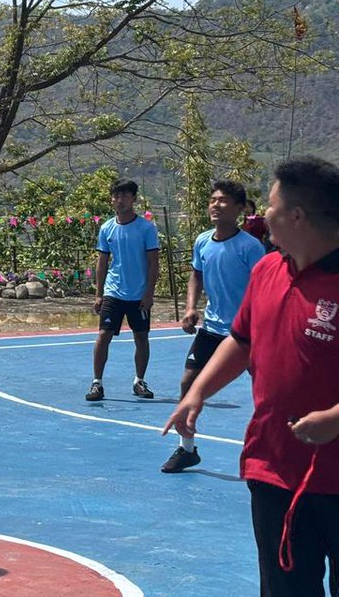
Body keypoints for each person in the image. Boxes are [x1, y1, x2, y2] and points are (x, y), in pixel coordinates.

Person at [165, 157, 339, 596]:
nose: (262, 216)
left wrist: (336, 418)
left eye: (271, 206)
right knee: (284, 588)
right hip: (275, 468)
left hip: (336, 479)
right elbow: (242, 340)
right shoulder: (266, 270)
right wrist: (198, 392)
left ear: (297, 217)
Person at [161, 180, 265, 473]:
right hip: (212, 328)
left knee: (265, 390)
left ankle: (273, 447)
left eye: (223, 201)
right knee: (187, 384)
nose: (215, 205)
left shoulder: (251, 247)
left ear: (240, 209)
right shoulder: (203, 241)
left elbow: (263, 286)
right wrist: (191, 308)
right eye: (213, 200)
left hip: (247, 333)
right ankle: (187, 449)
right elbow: (197, 275)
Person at [86, 179, 160, 401]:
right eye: (116, 196)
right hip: (113, 292)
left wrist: (148, 293)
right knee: (103, 335)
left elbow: (153, 262)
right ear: (112, 199)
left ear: (133, 199)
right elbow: (102, 262)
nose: (120, 200)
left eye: (125, 196)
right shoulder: (106, 228)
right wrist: (99, 293)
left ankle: (139, 381)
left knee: (141, 337)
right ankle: (97, 383)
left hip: (139, 295)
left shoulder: (147, 228)